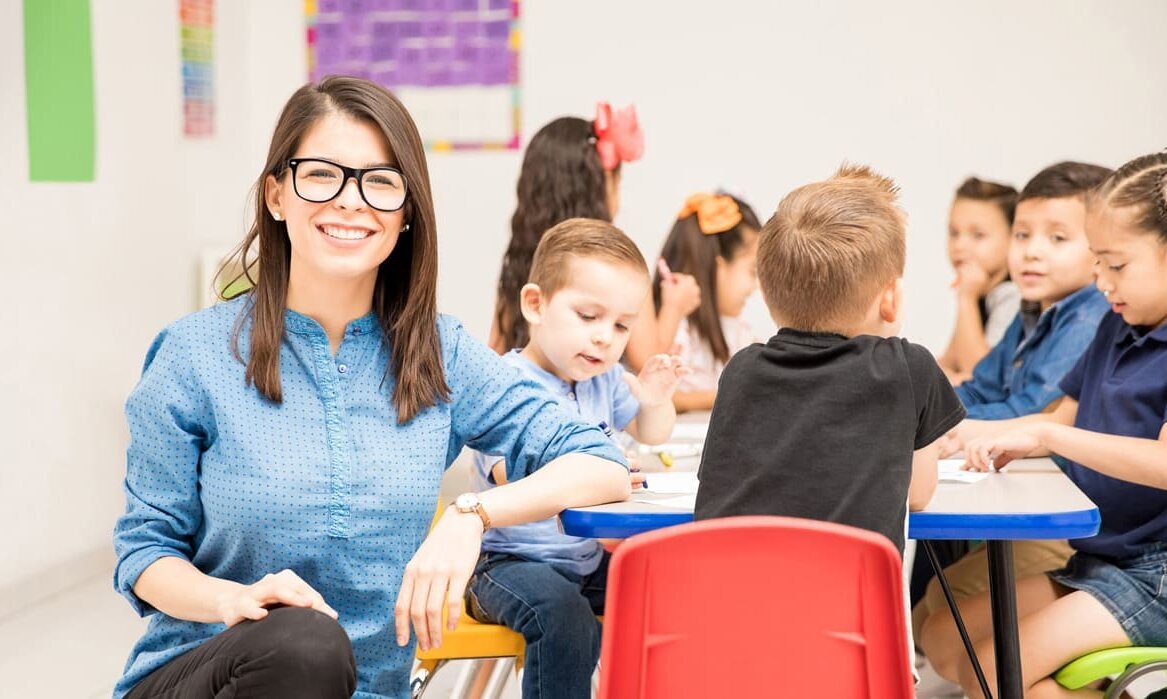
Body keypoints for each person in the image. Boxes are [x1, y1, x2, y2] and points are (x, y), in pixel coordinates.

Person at [112, 76, 630, 699]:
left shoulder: (440, 352)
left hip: (371, 687)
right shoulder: (193, 353)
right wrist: (234, 599)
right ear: (277, 194)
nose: (351, 202)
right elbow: (144, 554)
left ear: (406, 212)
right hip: (206, 673)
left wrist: (472, 514)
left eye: (380, 181)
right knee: (305, 644)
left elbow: (601, 464)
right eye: (321, 174)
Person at [920, 152, 1167, 698]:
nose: (1101, 281)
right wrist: (978, 434)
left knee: (992, 672)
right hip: (1102, 556)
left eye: (1116, 265)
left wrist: (1047, 436)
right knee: (943, 637)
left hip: (1158, 576)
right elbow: (1058, 416)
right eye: (1097, 262)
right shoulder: (1118, 324)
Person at [466, 218, 686, 698]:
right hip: (508, 564)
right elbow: (512, 473)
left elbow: (652, 433)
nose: (605, 337)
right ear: (535, 304)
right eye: (589, 317)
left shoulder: (603, 380)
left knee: (673, 592)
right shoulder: (503, 385)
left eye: (622, 325)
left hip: (584, 562)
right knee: (562, 617)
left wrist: (655, 398)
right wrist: (596, 475)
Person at [695, 164, 964, 554]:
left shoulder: (741, 369)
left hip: (729, 605)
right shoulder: (909, 368)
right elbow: (919, 495)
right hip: (852, 611)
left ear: (768, 296)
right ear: (890, 298)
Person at [489, 103, 648, 354]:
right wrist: (675, 307)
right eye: (587, 316)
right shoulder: (615, 267)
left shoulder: (518, 262)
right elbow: (647, 356)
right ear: (597, 188)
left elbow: (494, 354)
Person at [627, 192, 760, 412]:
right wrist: (723, 396)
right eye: (752, 271)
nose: (756, 285)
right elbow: (656, 392)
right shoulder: (677, 330)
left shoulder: (740, 332)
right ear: (718, 268)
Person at [938, 177, 1022, 383]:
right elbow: (947, 364)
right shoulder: (980, 290)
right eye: (954, 233)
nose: (960, 245)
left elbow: (981, 376)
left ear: (1013, 237)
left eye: (978, 235)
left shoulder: (1013, 294)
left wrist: (966, 298)